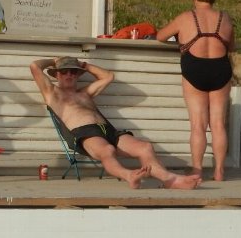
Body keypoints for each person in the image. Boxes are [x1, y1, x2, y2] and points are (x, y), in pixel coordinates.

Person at [31, 56, 202, 190]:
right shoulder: (52, 93)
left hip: (108, 131)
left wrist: (84, 65)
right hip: (83, 134)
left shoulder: (85, 93)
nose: (69, 75)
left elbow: (108, 76)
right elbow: (34, 66)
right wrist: (54, 62)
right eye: (65, 71)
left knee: (145, 147)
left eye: (73, 72)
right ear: (57, 74)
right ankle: (130, 176)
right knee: (107, 150)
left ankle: (169, 179)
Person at [156, 0, 235, 181]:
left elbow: (160, 36)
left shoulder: (185, 17)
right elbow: (231, 46)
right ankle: (219, 171)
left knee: (198, 124)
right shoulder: (225, 18)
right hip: (220, 68)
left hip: (195, 68)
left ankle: (197, 169)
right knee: (218, 124)